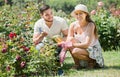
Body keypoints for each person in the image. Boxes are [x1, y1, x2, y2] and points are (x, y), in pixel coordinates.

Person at [65, 4, 104, 69]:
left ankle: (93, 61)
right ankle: (77, 64)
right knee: (70, 39)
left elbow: (87, 44)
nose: (78, 16)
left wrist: (72, 45)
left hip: (92, 49)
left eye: (81, 13)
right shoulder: (73, 25)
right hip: (80, 47)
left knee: (75, 51)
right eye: (76, 14)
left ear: (86, 14)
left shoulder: (91, 25)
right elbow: (68, 40)